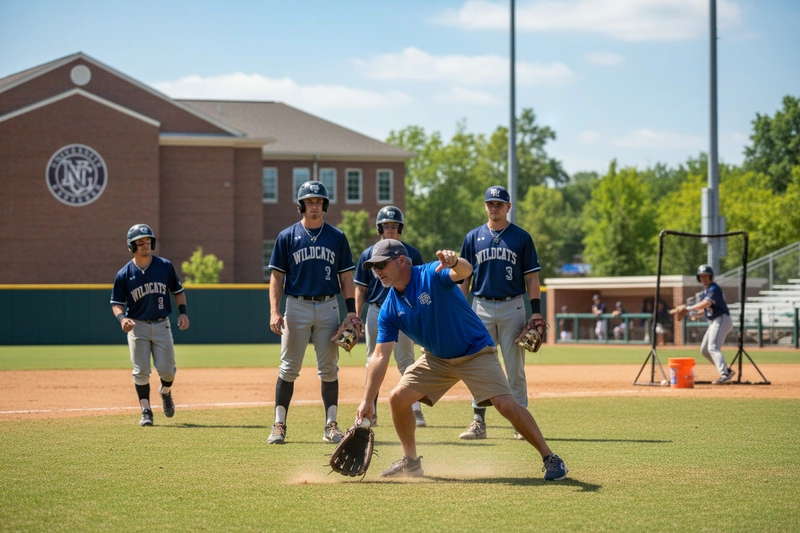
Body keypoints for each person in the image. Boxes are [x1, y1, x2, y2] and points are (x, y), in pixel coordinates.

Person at [355, 239, 568, 480]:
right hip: (436, 359)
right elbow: (380, 355)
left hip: (475, 352)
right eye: (373, 268)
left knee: (505, 404)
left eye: (381, 265)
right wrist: (366, 402)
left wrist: (455, 261)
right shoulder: (389, 308)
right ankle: (411, 461)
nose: (377, 272)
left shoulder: (431, 274)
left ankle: (550, 457)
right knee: (397, 398)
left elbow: (465, 271)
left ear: (401, 260)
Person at [267, 180, 361, 445]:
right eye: (309, 201)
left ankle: (331, 425)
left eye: (319, 201)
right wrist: (275, 311)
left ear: (325, 205)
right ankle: (279, 424)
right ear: (301, 205)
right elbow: (276, 277)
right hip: (296, 306)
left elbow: (346, 276)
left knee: (329, 369)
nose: (314, 206)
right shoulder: (287, 236)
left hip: (329, 305)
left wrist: (351, 312)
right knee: (288, 368)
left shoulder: (337, 237)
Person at [457, 185, 543, 441]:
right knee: (477, 364)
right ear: (485, 206)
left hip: (512, 305)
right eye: (490, 204)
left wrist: (535, 313)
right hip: (480, 306)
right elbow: (464, 278)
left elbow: (532, 278)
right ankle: (478, 421)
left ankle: (520, 423)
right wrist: (459, 308)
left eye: (499, 204)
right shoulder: (473, 237)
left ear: (508, 207)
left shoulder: (521, 237)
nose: (494, 208)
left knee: (514, 367)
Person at [110, 224, 189, 427]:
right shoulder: (124, 274)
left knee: (168, 371)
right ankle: (146, 410)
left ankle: (165, 392)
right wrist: (122, 319)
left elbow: (177, 291)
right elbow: (116, 304)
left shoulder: (164, 266)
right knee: (141, 371)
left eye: (148, 241)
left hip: (162, 323)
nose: (145, 245)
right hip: (137, 326)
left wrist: (183, 313)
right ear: (132, 246)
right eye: (140, 242)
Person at [355, 206, 426, 428]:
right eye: (386, 226)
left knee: (407, 361)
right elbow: (360, 288)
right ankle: (371, 412)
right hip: (376, 310)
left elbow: (421, 285)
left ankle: (415, 410)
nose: (390, 230)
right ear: (379, 228)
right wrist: (356, 316)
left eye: (394, 226)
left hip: (404, 310)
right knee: (372, 361)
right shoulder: (368, 254)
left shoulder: (411, 253)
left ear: (400, 228)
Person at [684, 265, 735, 384]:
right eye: (701, 276)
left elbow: (706, 303)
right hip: (715, 321)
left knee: (713, 348)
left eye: (706, 276)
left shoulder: (714, 288)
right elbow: (707, 308)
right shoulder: (706, 291)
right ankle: (727, 371)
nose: (704, 278)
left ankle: (724, 376)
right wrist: (695, 314)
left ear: (711, 276)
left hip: (722, 319)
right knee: (704, 350)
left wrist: (689, 308)